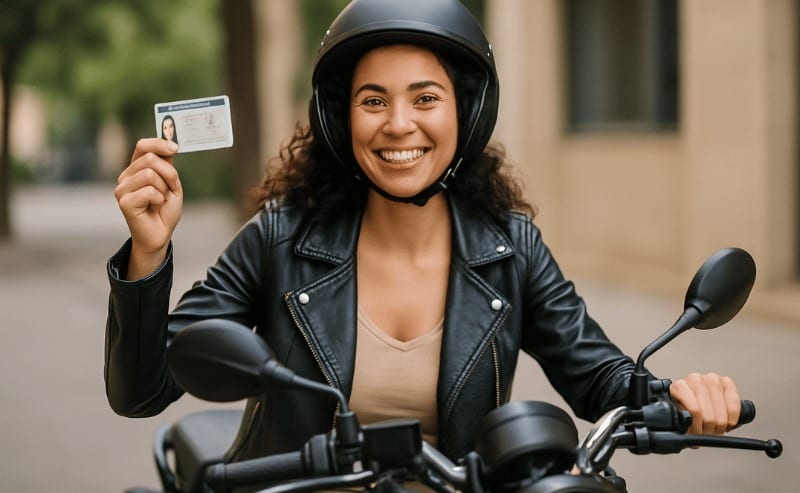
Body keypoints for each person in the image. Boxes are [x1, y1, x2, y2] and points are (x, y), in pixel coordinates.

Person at [106, 0, 742, 482]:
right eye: (373, 100)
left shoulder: (510, 249)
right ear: (342, 116)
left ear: (463, 112)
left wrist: (676, 397)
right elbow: (141, 391)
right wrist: (149, 254)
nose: (399, 123)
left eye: (426, 97)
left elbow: (597, 375)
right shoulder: (279, 237)